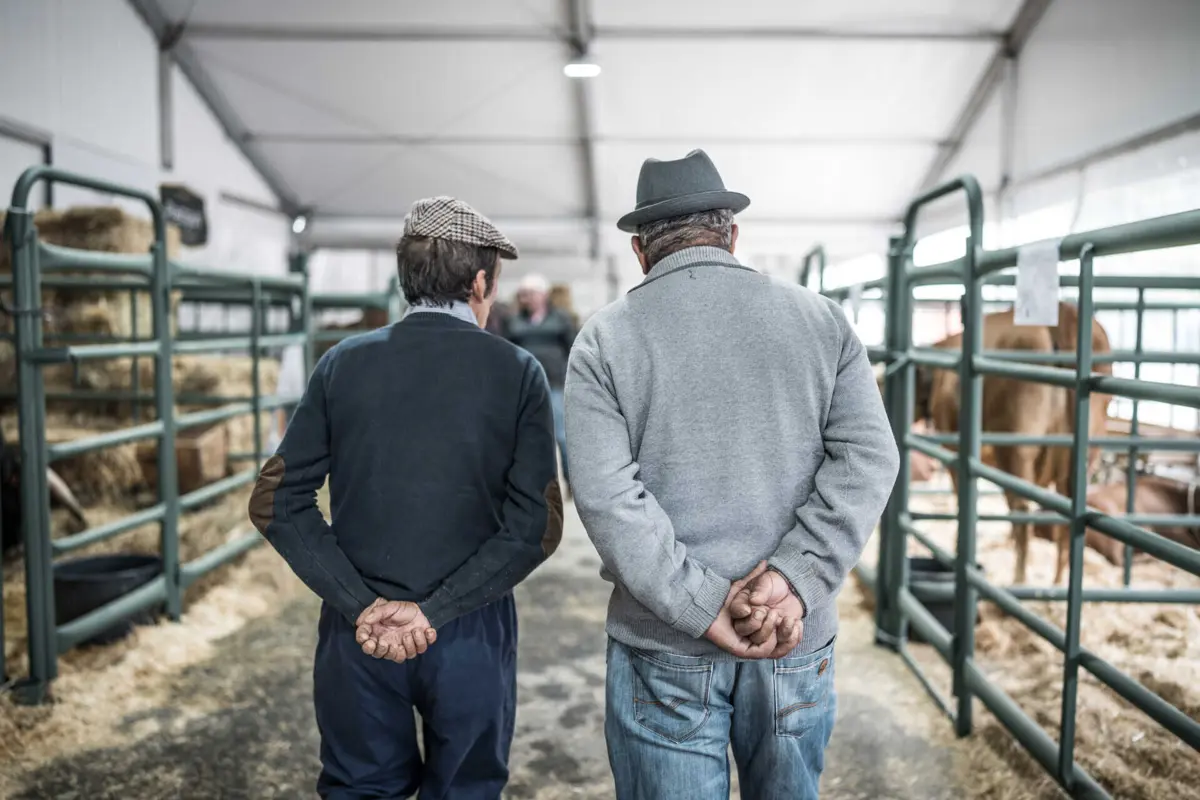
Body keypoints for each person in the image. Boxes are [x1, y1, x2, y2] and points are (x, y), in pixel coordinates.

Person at [564, 149, 899, 800]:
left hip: (665, 644)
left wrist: (704, 605)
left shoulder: (604, 341)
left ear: (640, 251)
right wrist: (793, 579)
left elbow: (606, 496)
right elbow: (869, 456)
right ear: (732, 235)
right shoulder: (823, 321)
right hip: (791, 635)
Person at [249, 196, 564, 800]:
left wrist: (359, 603)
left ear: (406, 279)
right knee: (466, 788)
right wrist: (435, 611)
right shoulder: (517, 371)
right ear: (479, 282)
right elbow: (536, 528)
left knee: (362, 787)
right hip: (471, 626)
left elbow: (275, 501)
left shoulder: (341, 364)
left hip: (358, 633)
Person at [504, 273, 576, 494]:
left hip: (554, 383)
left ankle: (572, 482)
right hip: (525, 387)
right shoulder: (515, 322)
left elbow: (573, 348)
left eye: (531, 293)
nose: (527, 298)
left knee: (562, 436)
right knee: (526, 436)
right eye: (523, 294)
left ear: (543, 295)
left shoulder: (560, 319)